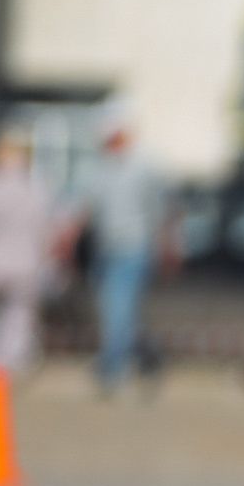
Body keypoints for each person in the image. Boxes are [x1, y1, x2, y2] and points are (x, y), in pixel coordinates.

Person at [83, 104, 169, 393]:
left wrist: (164, 245)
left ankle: (112, 369)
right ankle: (141, 359)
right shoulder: (100, 167)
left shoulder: (142, 167)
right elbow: (88, 207)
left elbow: (158, 209)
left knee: (118, 307)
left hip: (133, 247)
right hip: (106, 248)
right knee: (114, 310)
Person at [0, 130, 61, 374]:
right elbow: (45, 230)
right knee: (19, 318)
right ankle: (9, 364)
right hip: (26, 263)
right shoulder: (36, 189)